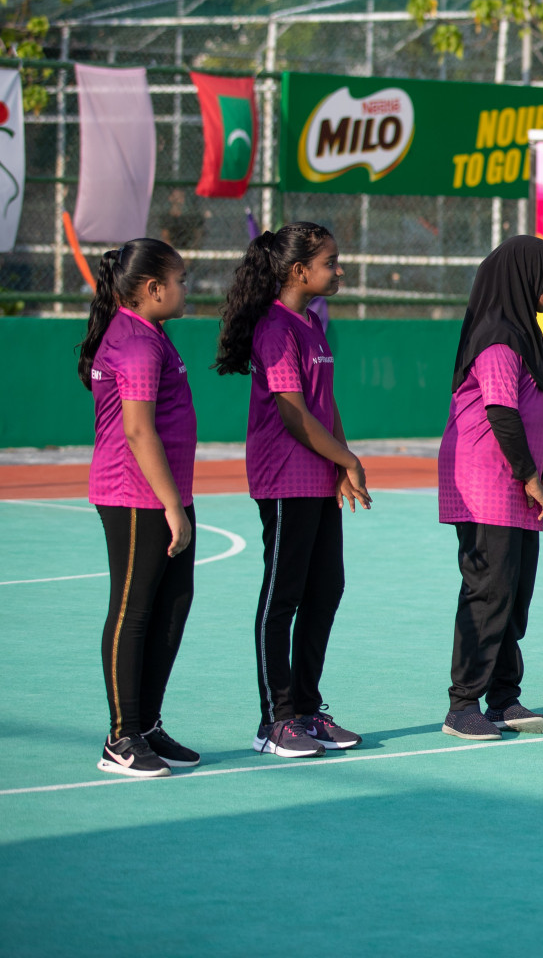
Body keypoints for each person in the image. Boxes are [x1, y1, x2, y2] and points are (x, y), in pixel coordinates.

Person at [216, 222, 370, 758]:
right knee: (283, 597)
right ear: (299, 271)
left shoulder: (310, 323)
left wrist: (344, 464)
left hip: (319, 480)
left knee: (326, 590)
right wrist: (345, 457)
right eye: (331, 261)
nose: (339, 269)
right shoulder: (276, 328)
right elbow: (292, 412)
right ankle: (274, 720)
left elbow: (327, 405)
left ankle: (305, 709)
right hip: (284, 479)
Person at [79, 239, 201, 777]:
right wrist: (172, 506)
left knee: (172, 605)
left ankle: (146, 724)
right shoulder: (135, 343)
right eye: (179, 279)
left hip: (165, 494)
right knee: (133, 612)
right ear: (153, 289)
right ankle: (122, 737)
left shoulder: (152, 336)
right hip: (135, 496)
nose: (185, 287)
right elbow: (136, 429)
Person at [437, 236, 543, 739]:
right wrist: (530, 476)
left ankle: (504, 699)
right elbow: (501, 412)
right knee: (488, 592)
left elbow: (538, 418)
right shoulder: (497, 337)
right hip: (483, 481)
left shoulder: (526, 335)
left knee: (515, 594)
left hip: (515, 481)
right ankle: (462, 705)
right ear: (526, 280)